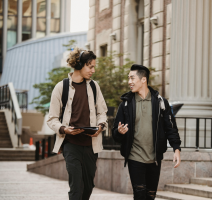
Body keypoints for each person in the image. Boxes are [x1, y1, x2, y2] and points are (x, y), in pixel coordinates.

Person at [112, 64, 181, 200]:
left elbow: (171, 127)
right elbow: (115, 134)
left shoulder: (161, 103)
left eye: (132, 78)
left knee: (150, 196)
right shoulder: (126, 104)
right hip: (135, 156)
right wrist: (119, 132)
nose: (129, 82)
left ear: (143, 80)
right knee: (139, 195)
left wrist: (176, 148)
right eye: (128, 78)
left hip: (154, 158)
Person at [47, 48, 108, 200]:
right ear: (79, 65)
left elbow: (102, 113)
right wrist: (64, 129)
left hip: (90, 145)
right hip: (71, 145)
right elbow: (52, 119)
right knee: (76, 187)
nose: (93, 70)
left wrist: (100, 127)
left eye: (94, 66)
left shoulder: (94, 87)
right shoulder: (61, 87)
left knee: (88, 186)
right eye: (90, 66)